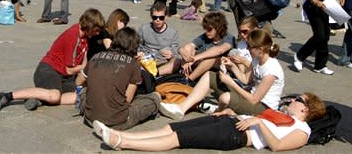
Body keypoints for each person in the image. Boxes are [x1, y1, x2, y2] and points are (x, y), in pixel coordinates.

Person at [93, 92, 326, 152]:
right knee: (172, 127)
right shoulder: (283, 115)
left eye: (297, 100)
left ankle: (122, 143)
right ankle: (120, 134)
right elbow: (255, 119)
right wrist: (233, 114)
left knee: (177, 139)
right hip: (234, 123)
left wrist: (258, 122)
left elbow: (277, 146)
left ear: (306, 108)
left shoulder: (302, 129)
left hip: (238, 136)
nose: (292, 100)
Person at [0, 8, 105, 113]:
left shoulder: (85, 38)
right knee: (55, 96)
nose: (97, 33)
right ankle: (5, 96)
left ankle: (39, 98)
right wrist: (86, 67)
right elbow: (70, 70)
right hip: (48, 70)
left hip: (62, 76)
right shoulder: (73, 36)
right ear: (89, 27)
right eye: (96, 30)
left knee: (81, 93)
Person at [160, 29, 284, 120]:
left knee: (226, 97)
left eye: (249, 46)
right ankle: (181, 108)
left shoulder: (272, 70)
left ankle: (219, 114)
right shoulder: (257, 59)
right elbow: (246, 80)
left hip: (263, 108)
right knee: (210, 75)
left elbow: (254, 99)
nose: (247, 49)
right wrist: (232, 66)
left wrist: (230, 82)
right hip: (249, 98)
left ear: (260, 50)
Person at [77, 27, 161, 129]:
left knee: (85, 90)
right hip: (117, 121)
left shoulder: (96, 56)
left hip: (90, 118)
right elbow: (128, 100)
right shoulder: (134, 64)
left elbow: (79, 82)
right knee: (155, 97)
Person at [178, 11, 235, 82]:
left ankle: (188, 80)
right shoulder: (205, 36)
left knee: (211, 59)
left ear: (219, 28)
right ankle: (183, 74)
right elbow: (189, 46)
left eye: (209, 29)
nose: (206, 32)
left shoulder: (228, 37)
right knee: (187, 49)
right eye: (205, 28)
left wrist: (194, 58)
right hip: (202, 66)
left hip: (219, 68)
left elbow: (220, 50)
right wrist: (182, 50)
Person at [138, 2, 180, 76]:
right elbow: (136, 45)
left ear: (166, 17)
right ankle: (150, 75)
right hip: (145, 61)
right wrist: (139, 52)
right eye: (155, 17)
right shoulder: (144, 28)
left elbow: (175, 53)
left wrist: (171, 54)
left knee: (177, 61)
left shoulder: (173, 33)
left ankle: (154, 74)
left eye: (161, 18)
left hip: (163, 63)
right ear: (151, 16)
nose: (158, 20)